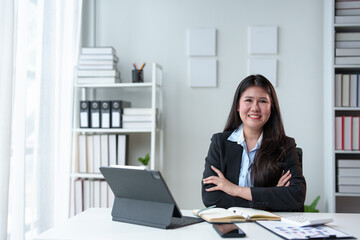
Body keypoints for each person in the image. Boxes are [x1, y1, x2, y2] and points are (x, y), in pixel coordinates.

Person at [202, 74, 306, 212]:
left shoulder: (285, 145)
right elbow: (211, 198)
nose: (255, 108)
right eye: (248, 100)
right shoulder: (220, 143)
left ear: (272, 107)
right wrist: (271, 197)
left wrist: (234, 189)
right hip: (230, 225)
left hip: (270, 226)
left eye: (263, 101)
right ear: (238, 106)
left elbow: (296, 196)